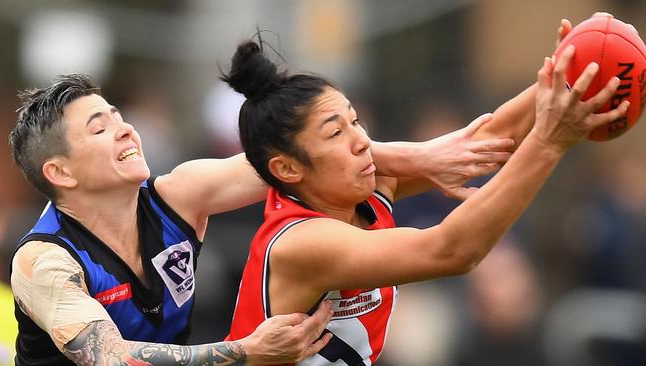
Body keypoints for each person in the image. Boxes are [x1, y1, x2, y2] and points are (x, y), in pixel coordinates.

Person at [7, 66, 514, 366]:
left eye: (120, 117)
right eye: (100, 129)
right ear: (61, 172)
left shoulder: (179, 193)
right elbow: (110, 359)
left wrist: (427, 156)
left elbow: (300, 158)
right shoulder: (42, 261)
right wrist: (243, 352)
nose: (125, 130)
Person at [221, 24, 628, 365]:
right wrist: (549, 143)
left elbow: (484, 147)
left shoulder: (360, 191)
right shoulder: (302, 242)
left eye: (355, 121)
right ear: (287, 168)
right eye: (335, 132)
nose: (362, 142)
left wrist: (569, 71)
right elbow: (452, 250)